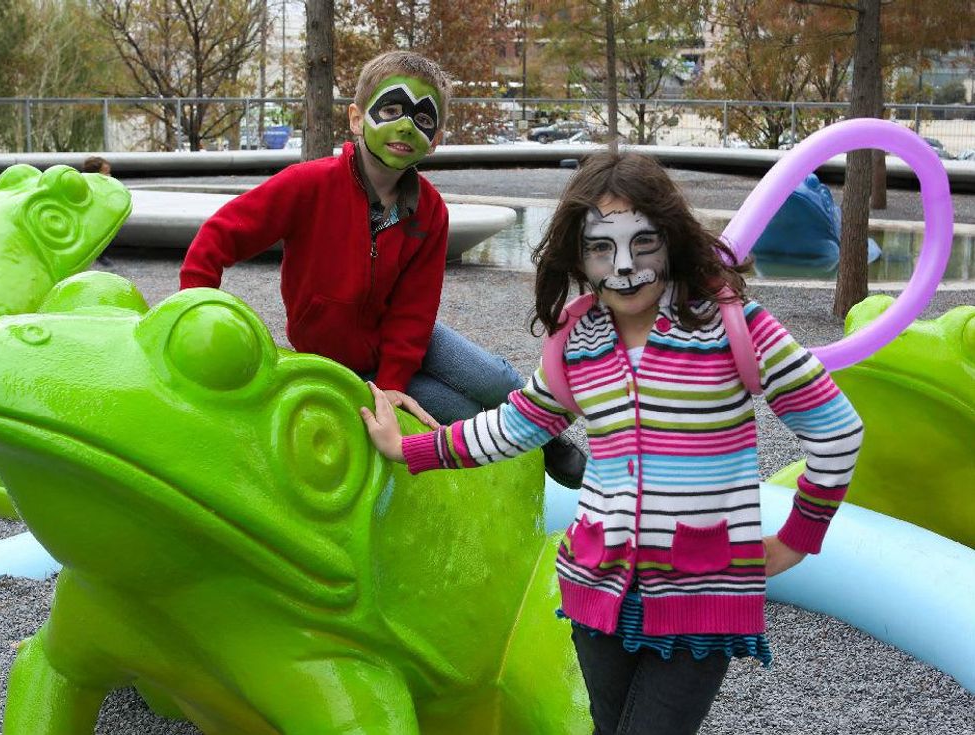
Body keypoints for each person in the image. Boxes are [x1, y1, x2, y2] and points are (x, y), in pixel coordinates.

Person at [361, 150, 864, 735]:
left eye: (642, 242)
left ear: (671, 239)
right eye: (602, 247)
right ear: (579, 255)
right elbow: (518, 424)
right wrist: (411, 448)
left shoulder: (733, 327)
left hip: (700, 596)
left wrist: (799, 536)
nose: (623, 266)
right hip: (597, 591)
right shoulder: (581, 341)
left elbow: (836, 428)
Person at [179, 50, 586, 488]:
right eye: (391, 109)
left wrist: (396, 381)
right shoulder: (309, 185)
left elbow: (414, 309)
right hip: (345, 365)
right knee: (460, 412)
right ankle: (521, 467)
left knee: (495, 379)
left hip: (405, 340)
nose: (406, 125)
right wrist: (195, 309)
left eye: (422, 118)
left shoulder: (429, 211)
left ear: (435, 139)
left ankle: (548, 437)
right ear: (357, 118)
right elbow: (221, 235)